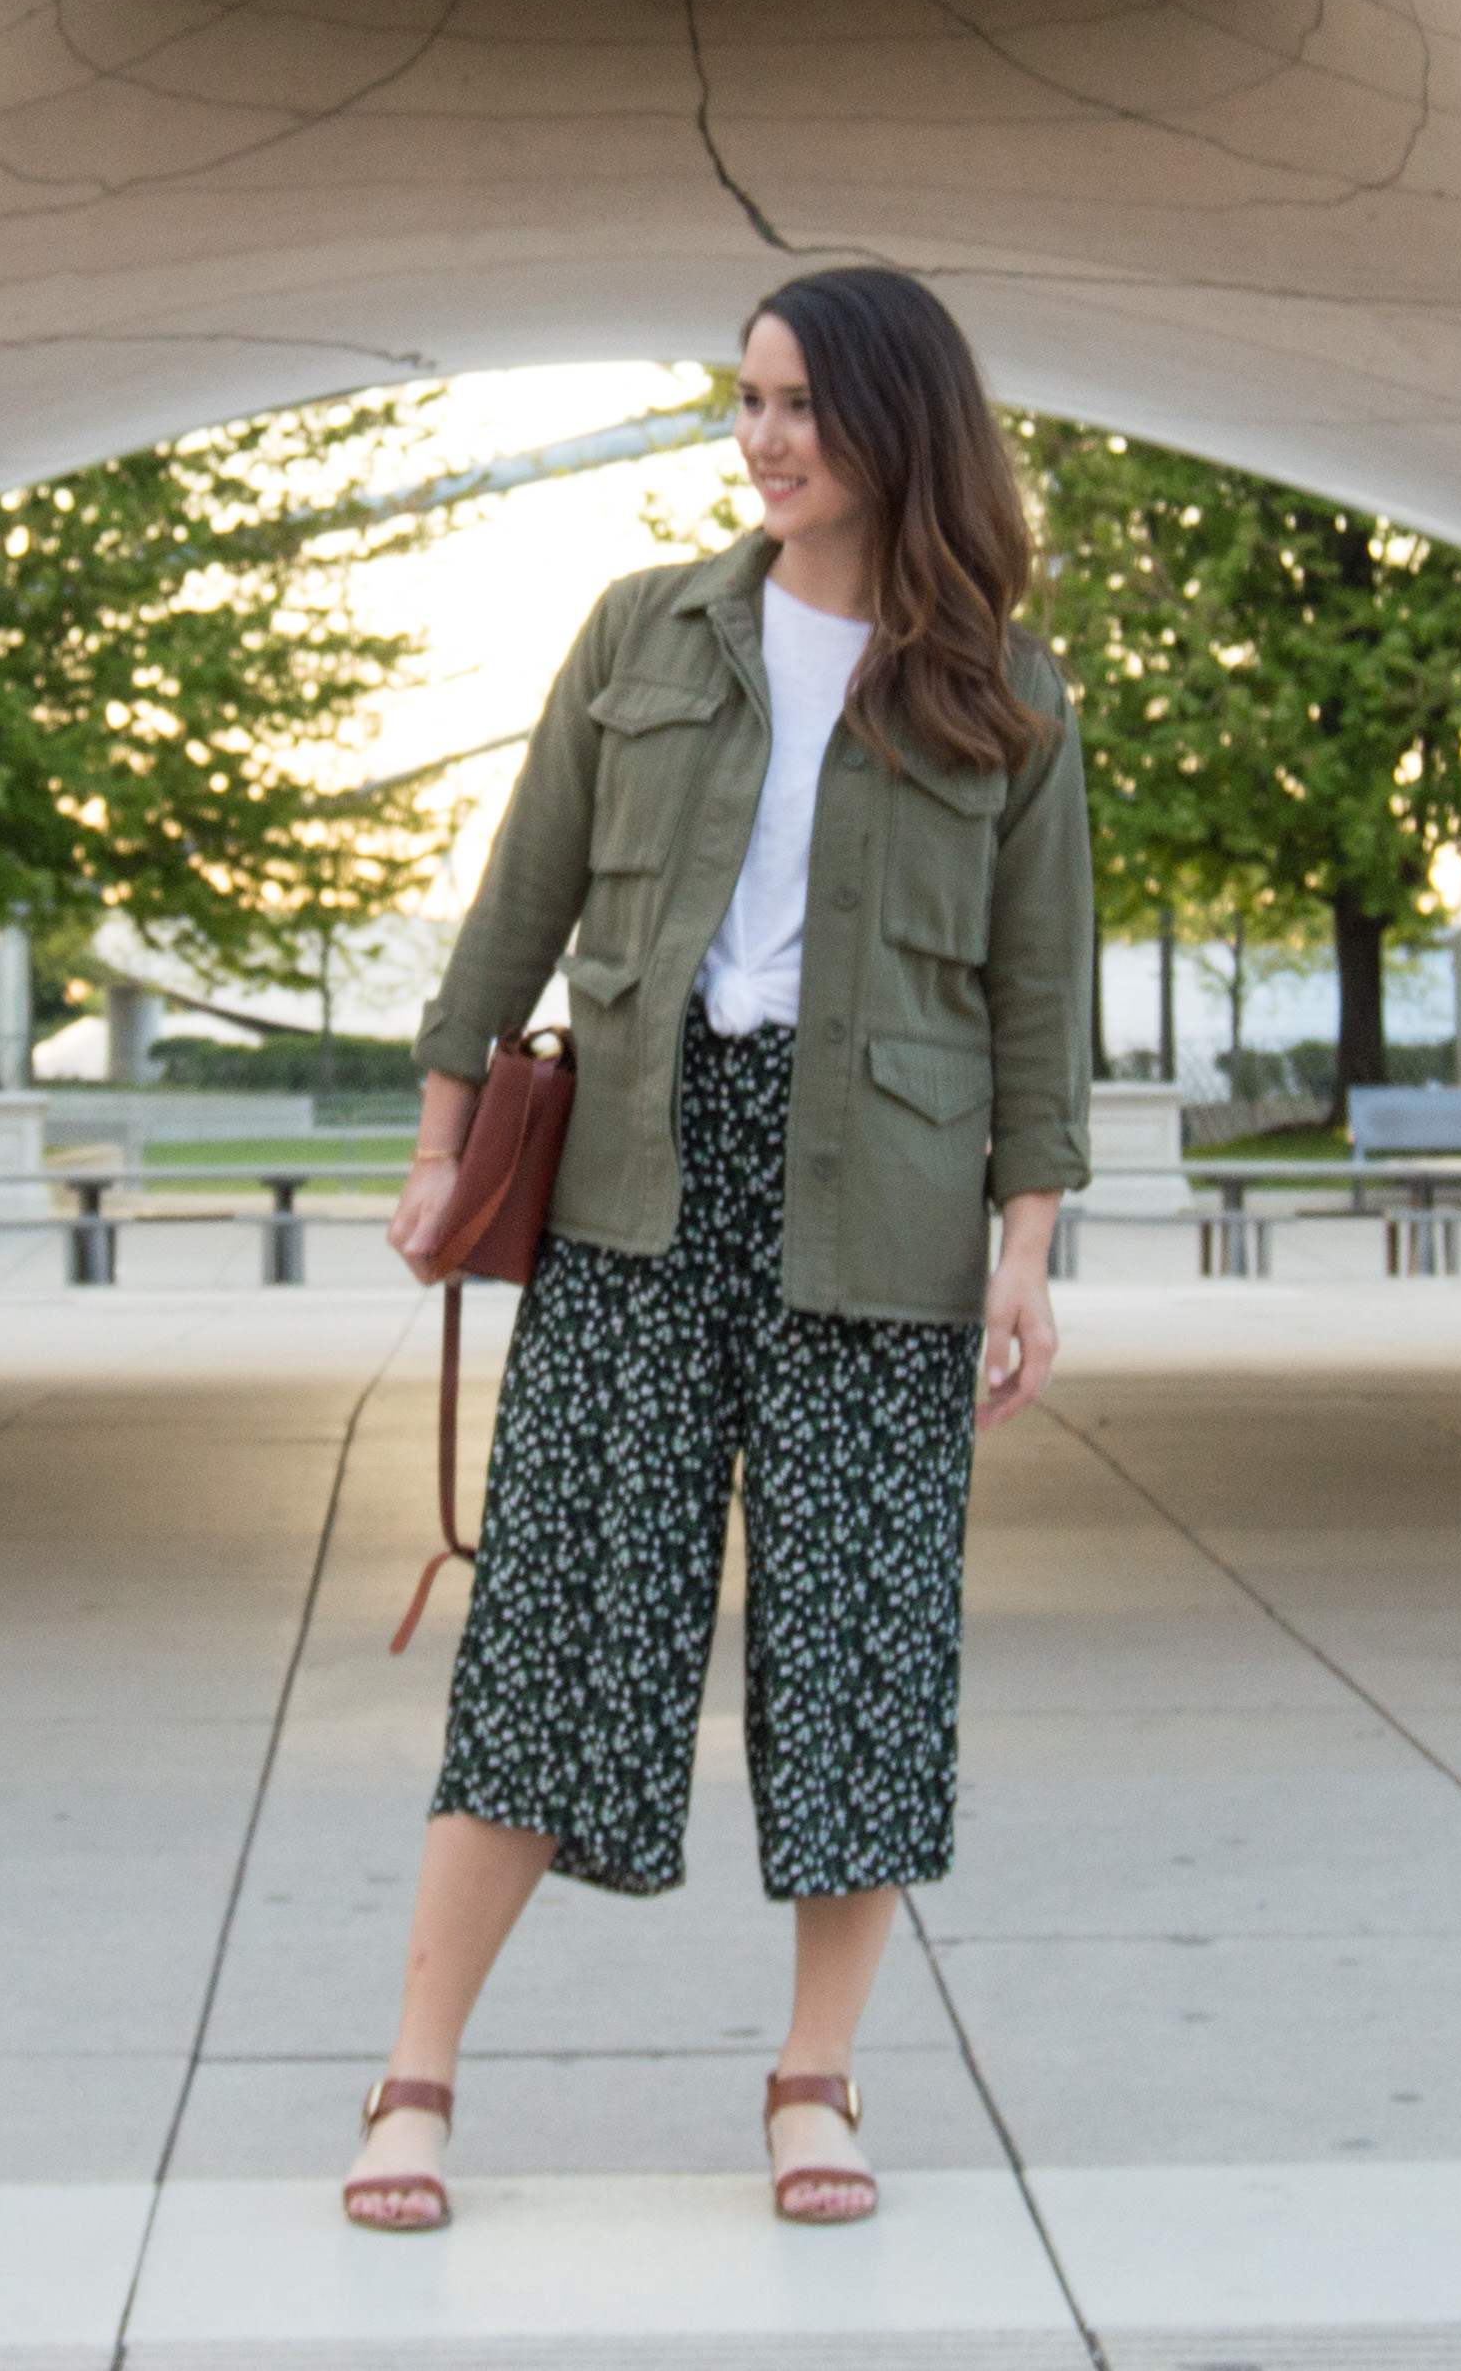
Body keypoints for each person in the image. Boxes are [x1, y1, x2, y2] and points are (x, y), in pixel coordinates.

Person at [342, 266, 1093, 2236]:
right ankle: (412, 2081)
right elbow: (514, 899)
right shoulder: (641, 629)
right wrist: (439, 1148)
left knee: (855, 1653)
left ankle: (811, 2079)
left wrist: (1026, 1257)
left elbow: (1036, 999)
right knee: (556, 1633)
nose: (760, 436)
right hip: (633, 1184)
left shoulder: (1002, 687)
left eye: (797, 403)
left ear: (889, 421)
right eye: (744, 399)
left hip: (889, 1208)